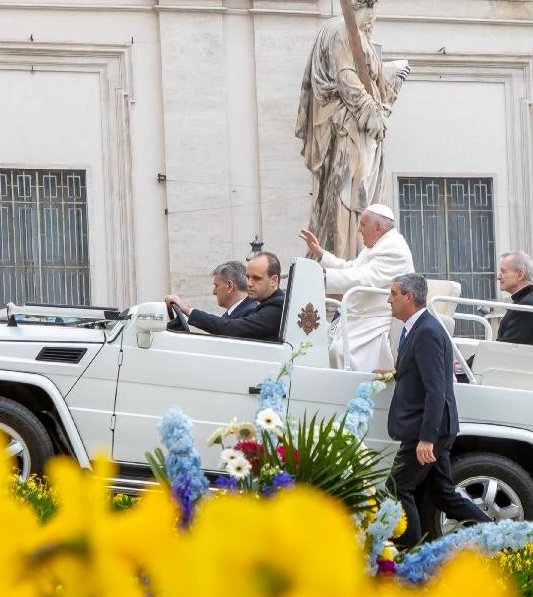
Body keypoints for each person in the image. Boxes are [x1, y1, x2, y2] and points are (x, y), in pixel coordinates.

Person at [295, 0, 411, 261]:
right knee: (349, 194)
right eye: (373, 7)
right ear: (366, 4)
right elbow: (347, 79)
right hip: (347, 128)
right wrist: (372, 113)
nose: (374, 16)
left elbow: (364, 74)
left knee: (358, 194)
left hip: (354, 127)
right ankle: (346, 254)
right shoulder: (341, 30)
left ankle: (350, 255)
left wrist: (389, 71)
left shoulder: (352, 32)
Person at [383, 272, 491, 548]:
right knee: (443, 494)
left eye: (393, 294)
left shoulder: (428, 331)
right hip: (434, 427)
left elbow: (437, 389)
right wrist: (394, 373)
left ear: (408, 297)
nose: (389, 300)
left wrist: (427, 438)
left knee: (398, 488)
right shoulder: (415, 328)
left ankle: (410, 555)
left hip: (430, 430)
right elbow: (420, 373)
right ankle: (499, 536)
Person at [300, 203, 414, 370]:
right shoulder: (377, 245)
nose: (359, 230)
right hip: (360, 315)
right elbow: (351, 268)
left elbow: (363, 278)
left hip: (375, 317)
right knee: (320, 345)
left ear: (378, 227)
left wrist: (322, 278)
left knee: (340, 352)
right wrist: (321, 253)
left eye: (362, 225)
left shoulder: (394, 248)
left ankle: (351, 391)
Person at [165, 252, 285, 342]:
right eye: (248, 277)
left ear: (273, 280)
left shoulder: (277, 306)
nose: (249, 283)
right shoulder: (265, 305)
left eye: (256, 278)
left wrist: (187, 310)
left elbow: (230, 329)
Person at [493, 250, 533, 348]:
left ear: (520, 275)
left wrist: (468, 363)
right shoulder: (527, 301)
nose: (498, 277)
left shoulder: (527, 306)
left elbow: (504, 348)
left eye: (503, 272)